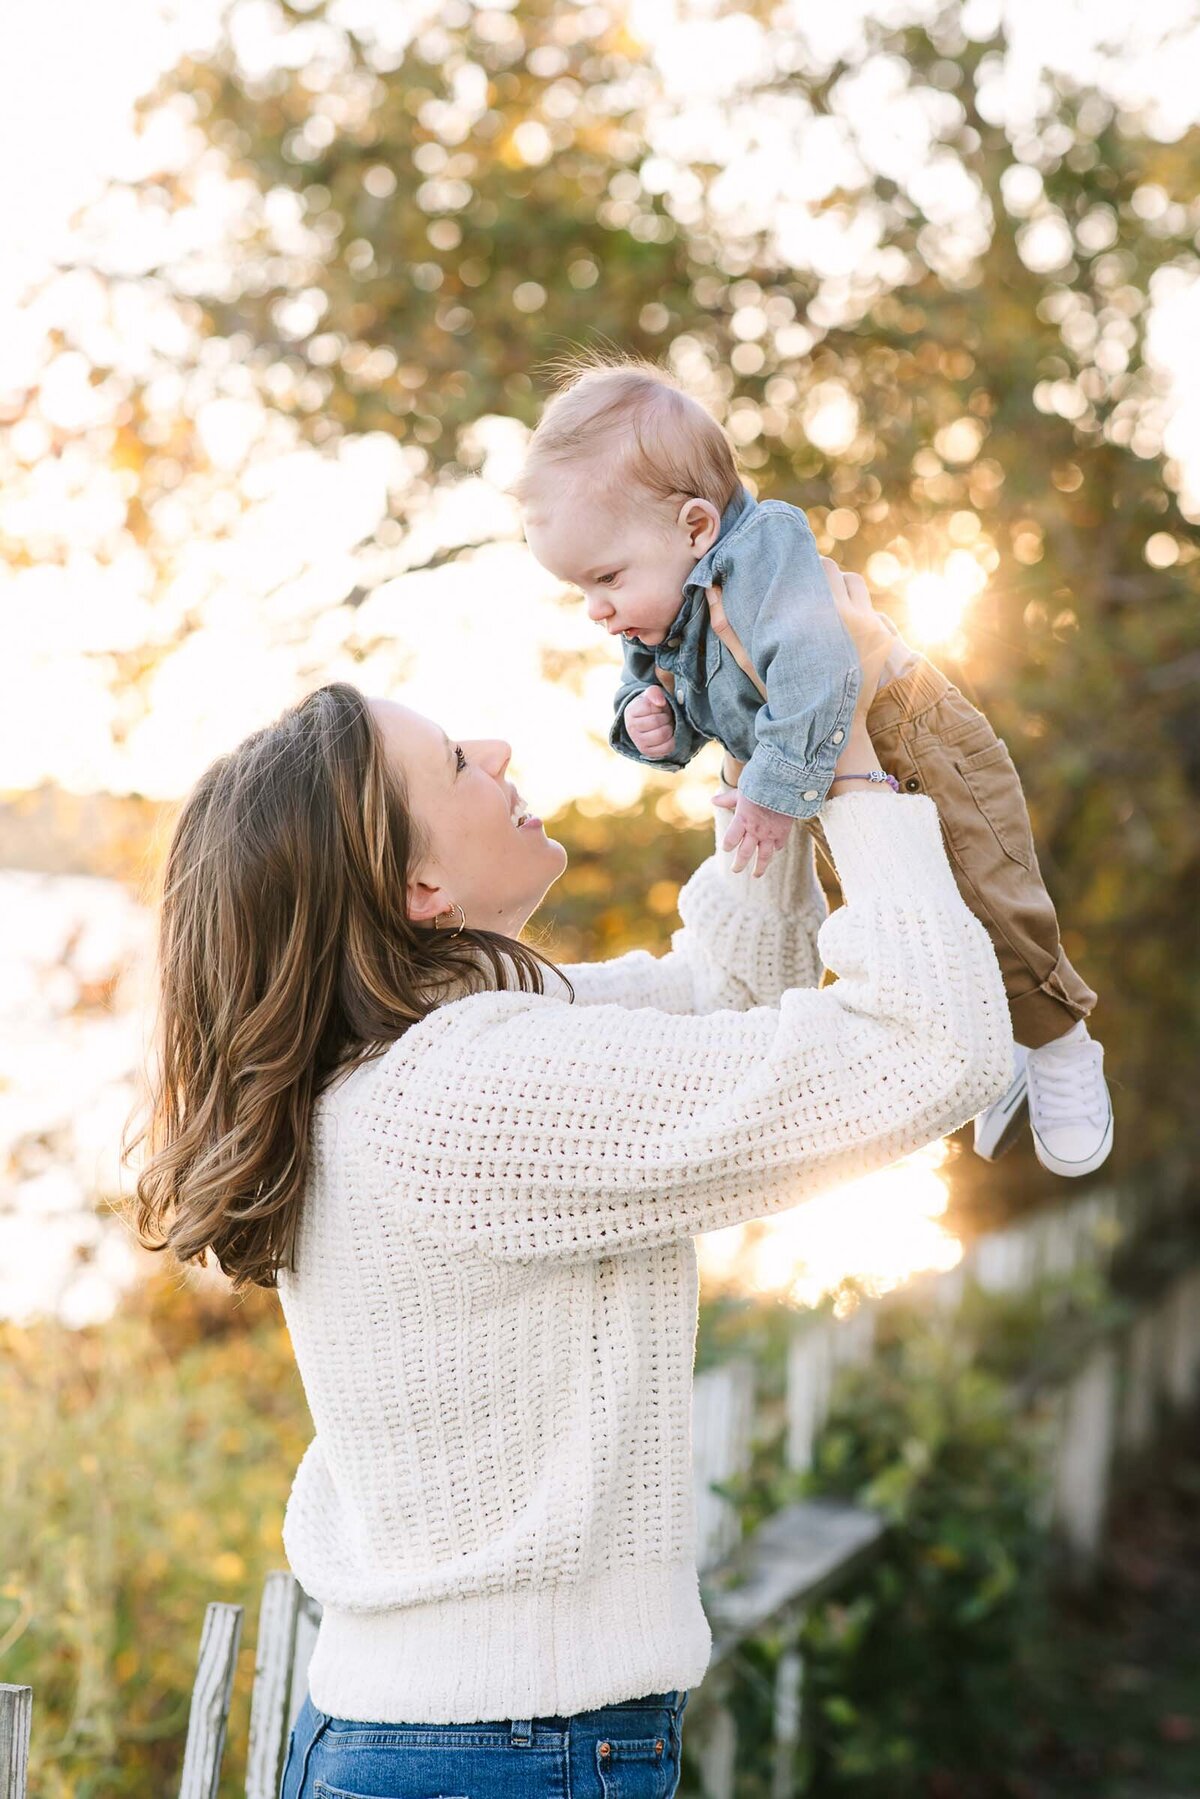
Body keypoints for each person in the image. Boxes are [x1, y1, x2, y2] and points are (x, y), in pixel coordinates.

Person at [133, 565, 1009, 1799]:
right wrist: (853, 753)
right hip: (504, 1750)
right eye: (451, 764)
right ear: (419, 890)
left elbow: (723, 999)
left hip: (450, 1738)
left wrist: (776, 754)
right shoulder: (467, 1089)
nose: (492, 747)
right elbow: (933, 1045)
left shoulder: (421, 1062)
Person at [515, 356, 1113, 1179]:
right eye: (580, 588)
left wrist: (764, 789)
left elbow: (821, 672)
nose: (597, 608)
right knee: (906, 917)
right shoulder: (657, 609)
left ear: (695, 526)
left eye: (606, 578)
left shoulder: (765, 552)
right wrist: (647, 723)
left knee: (989, 887)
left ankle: (1060, 1044)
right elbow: (665, 692)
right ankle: (1001, 1050)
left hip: (909, 734)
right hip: (813, 774)